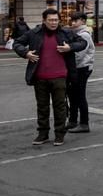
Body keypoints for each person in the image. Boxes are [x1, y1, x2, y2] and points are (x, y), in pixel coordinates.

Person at [13, 8, 86, 146]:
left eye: (56, 20)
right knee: (42, 107)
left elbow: (83, 43)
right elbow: (17, 43)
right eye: (50, 20)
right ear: (44, 20)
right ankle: (43, 134)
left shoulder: (66, 32)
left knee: (60, 107)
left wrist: (70, 47)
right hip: (40, 77)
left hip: (60, 76)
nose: (53, 23)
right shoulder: (34, 33)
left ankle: (59, 134)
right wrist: (25, 53)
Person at [66, 12, 95, 134]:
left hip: (82, 68)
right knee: (72, 95)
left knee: (80, 95)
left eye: (75, 20)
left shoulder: (84, 35)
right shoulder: (75, 33)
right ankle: (72, 121)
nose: (72, 23)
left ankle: (84, 123)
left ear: (83, 21)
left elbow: (78, 54)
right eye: (71, 20)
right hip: (76, 68)